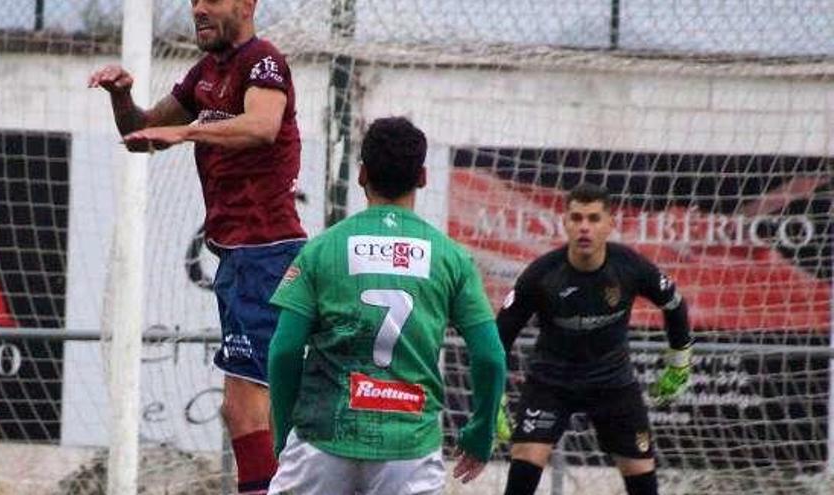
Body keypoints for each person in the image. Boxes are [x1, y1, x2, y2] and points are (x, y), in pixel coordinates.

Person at [88, 1, 305, 493]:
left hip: (266, 252)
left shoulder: (263, 60)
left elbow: (263, 124)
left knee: (245, 406)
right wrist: (122, 98)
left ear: (247, 4)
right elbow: (142, 133)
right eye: (193, 1)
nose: (199, 9)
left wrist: (187, 131)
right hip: (239, 257)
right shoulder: (205, 73)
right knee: (252, 407)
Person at [265, 117, 507, 495]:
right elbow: (491, 356)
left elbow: (284, 351)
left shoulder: (322, 249)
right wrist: (481, 428)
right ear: (423, 177)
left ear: (361, 175)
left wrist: (284, 432)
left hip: (324, 437)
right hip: (408, 445)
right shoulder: (450, 257)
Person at [497, 183, 692, 495]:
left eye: (593, 218)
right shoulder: (542, 274)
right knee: (524, 464)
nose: (584, 227)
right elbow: (500, 335)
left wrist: (679, 363)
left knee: (642, 474)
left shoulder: (630, 266)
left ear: (610, 224)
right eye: (576, 218)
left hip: (612, 382)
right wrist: (493, 395)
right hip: (550, 382)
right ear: (565, 223)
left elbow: (675, 304)